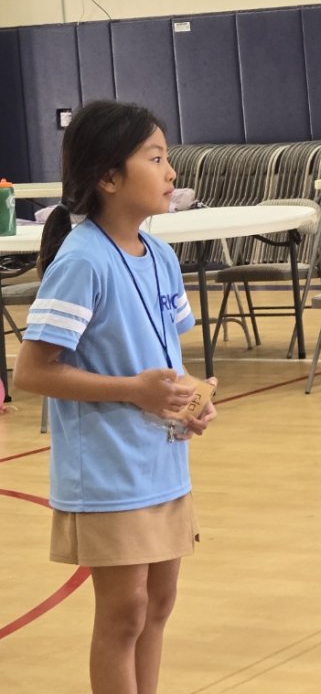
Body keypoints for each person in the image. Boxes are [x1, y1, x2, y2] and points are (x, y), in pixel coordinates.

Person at [14, 100, 216, 694]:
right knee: (124, 612)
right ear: (108, 177)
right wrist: (135, 392)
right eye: (154, 158)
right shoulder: (82, 260)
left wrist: (191, 397)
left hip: (162, 462)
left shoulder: (161, 256)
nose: (170, 172)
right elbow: (32, 371)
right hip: (107, 470)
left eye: (167, 157)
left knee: (159, 604)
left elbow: (164, 357)